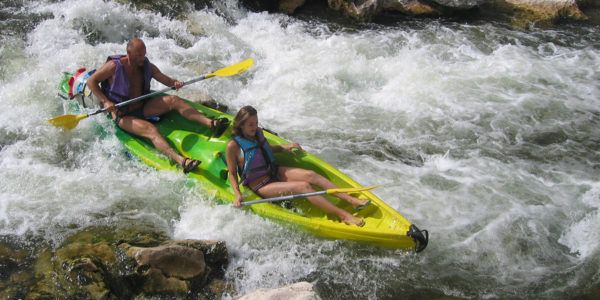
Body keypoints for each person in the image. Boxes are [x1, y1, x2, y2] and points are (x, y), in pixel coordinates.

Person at [87, 37, 228, 173]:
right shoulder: (113, 66)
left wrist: (175, 83)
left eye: (144, 54)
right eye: (139, 55)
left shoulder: (145, 64)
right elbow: (91, 82)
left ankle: (212, 124)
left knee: (174, 99)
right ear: (129, 54)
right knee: (151, 129)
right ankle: (182, 161)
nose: (142, 58)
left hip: (143, 106)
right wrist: (106, 101)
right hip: (123, 114)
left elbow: (165, 79)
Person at [225, 106, 371, 227]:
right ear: (241, 124)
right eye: (250, 124)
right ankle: (344, 215)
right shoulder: (233, 146)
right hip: (261, 184)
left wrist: (284, 147)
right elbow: (232, 173)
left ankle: (351, 200)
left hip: (273, 171)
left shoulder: (258, 133)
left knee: (311, 175)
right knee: (304, 186)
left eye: (256, 122)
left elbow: (264, 149)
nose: (254, 127)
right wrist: (237, 194)